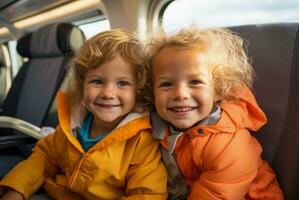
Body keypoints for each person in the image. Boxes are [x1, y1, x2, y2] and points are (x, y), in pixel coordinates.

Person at [0, 29, 167, 200]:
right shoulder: (72, 124)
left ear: (138, 91)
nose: (108, 93)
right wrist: (17, 189)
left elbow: (146, 194)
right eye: (97, 81)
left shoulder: (141, 141)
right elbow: (43, 157)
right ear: (82, 85)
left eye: (123, 83)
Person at [145, 27, 284, 200]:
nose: (180, 94)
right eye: (166, 84)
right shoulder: (155, 128)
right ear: (152, 92)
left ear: (218, 90)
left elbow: (216, 195)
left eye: (195, 82)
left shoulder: (229, 144)